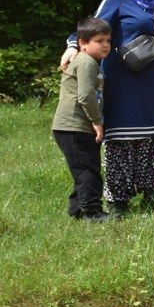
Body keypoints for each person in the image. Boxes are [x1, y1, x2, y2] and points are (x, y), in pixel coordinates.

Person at [61, 0, 154, 214]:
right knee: (123, 140)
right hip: (126, 81)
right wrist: (72, 45)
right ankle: (120, 200)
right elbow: (94, 24)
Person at [52, 17, 112, 222]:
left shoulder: (87, 61)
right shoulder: (87, 62)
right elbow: (85, 95)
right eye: (99, 40)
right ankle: (92, 212)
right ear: (83, 44)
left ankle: (77, 209)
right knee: (88, 170)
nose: (105, 45)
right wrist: (97, 121)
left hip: (71, 126)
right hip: (74, 126)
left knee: (83, 168)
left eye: (108, 40)